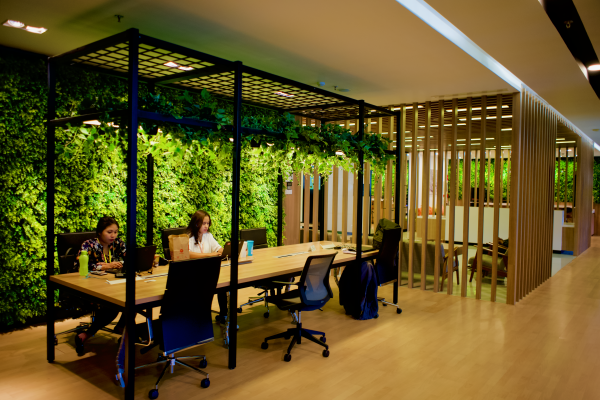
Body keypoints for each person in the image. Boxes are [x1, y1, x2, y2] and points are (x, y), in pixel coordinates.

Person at [73, 216, 126, 355]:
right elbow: (79, 265)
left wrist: (117, 264)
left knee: (133, 298)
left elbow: (130, 258)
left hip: (113, 284)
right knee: (113, 307)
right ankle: (87, 334)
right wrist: (103, 266)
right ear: (99, 232)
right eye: (109, 232)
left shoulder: (118, 243)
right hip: (90, 287)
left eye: (115, 232)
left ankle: (121, 327)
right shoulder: (89, 245)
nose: (113, 235)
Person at [186, 210, 227, 321]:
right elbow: (187, 254)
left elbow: (218, 248)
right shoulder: (188, 237)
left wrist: (223, 251)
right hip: (193, 273)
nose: (206, 226)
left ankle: (224, 314)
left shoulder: (208, 236)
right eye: (203, 223)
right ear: (196, 224)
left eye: (208, 223)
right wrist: (209, 255)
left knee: (222, 283)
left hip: (208, 270)